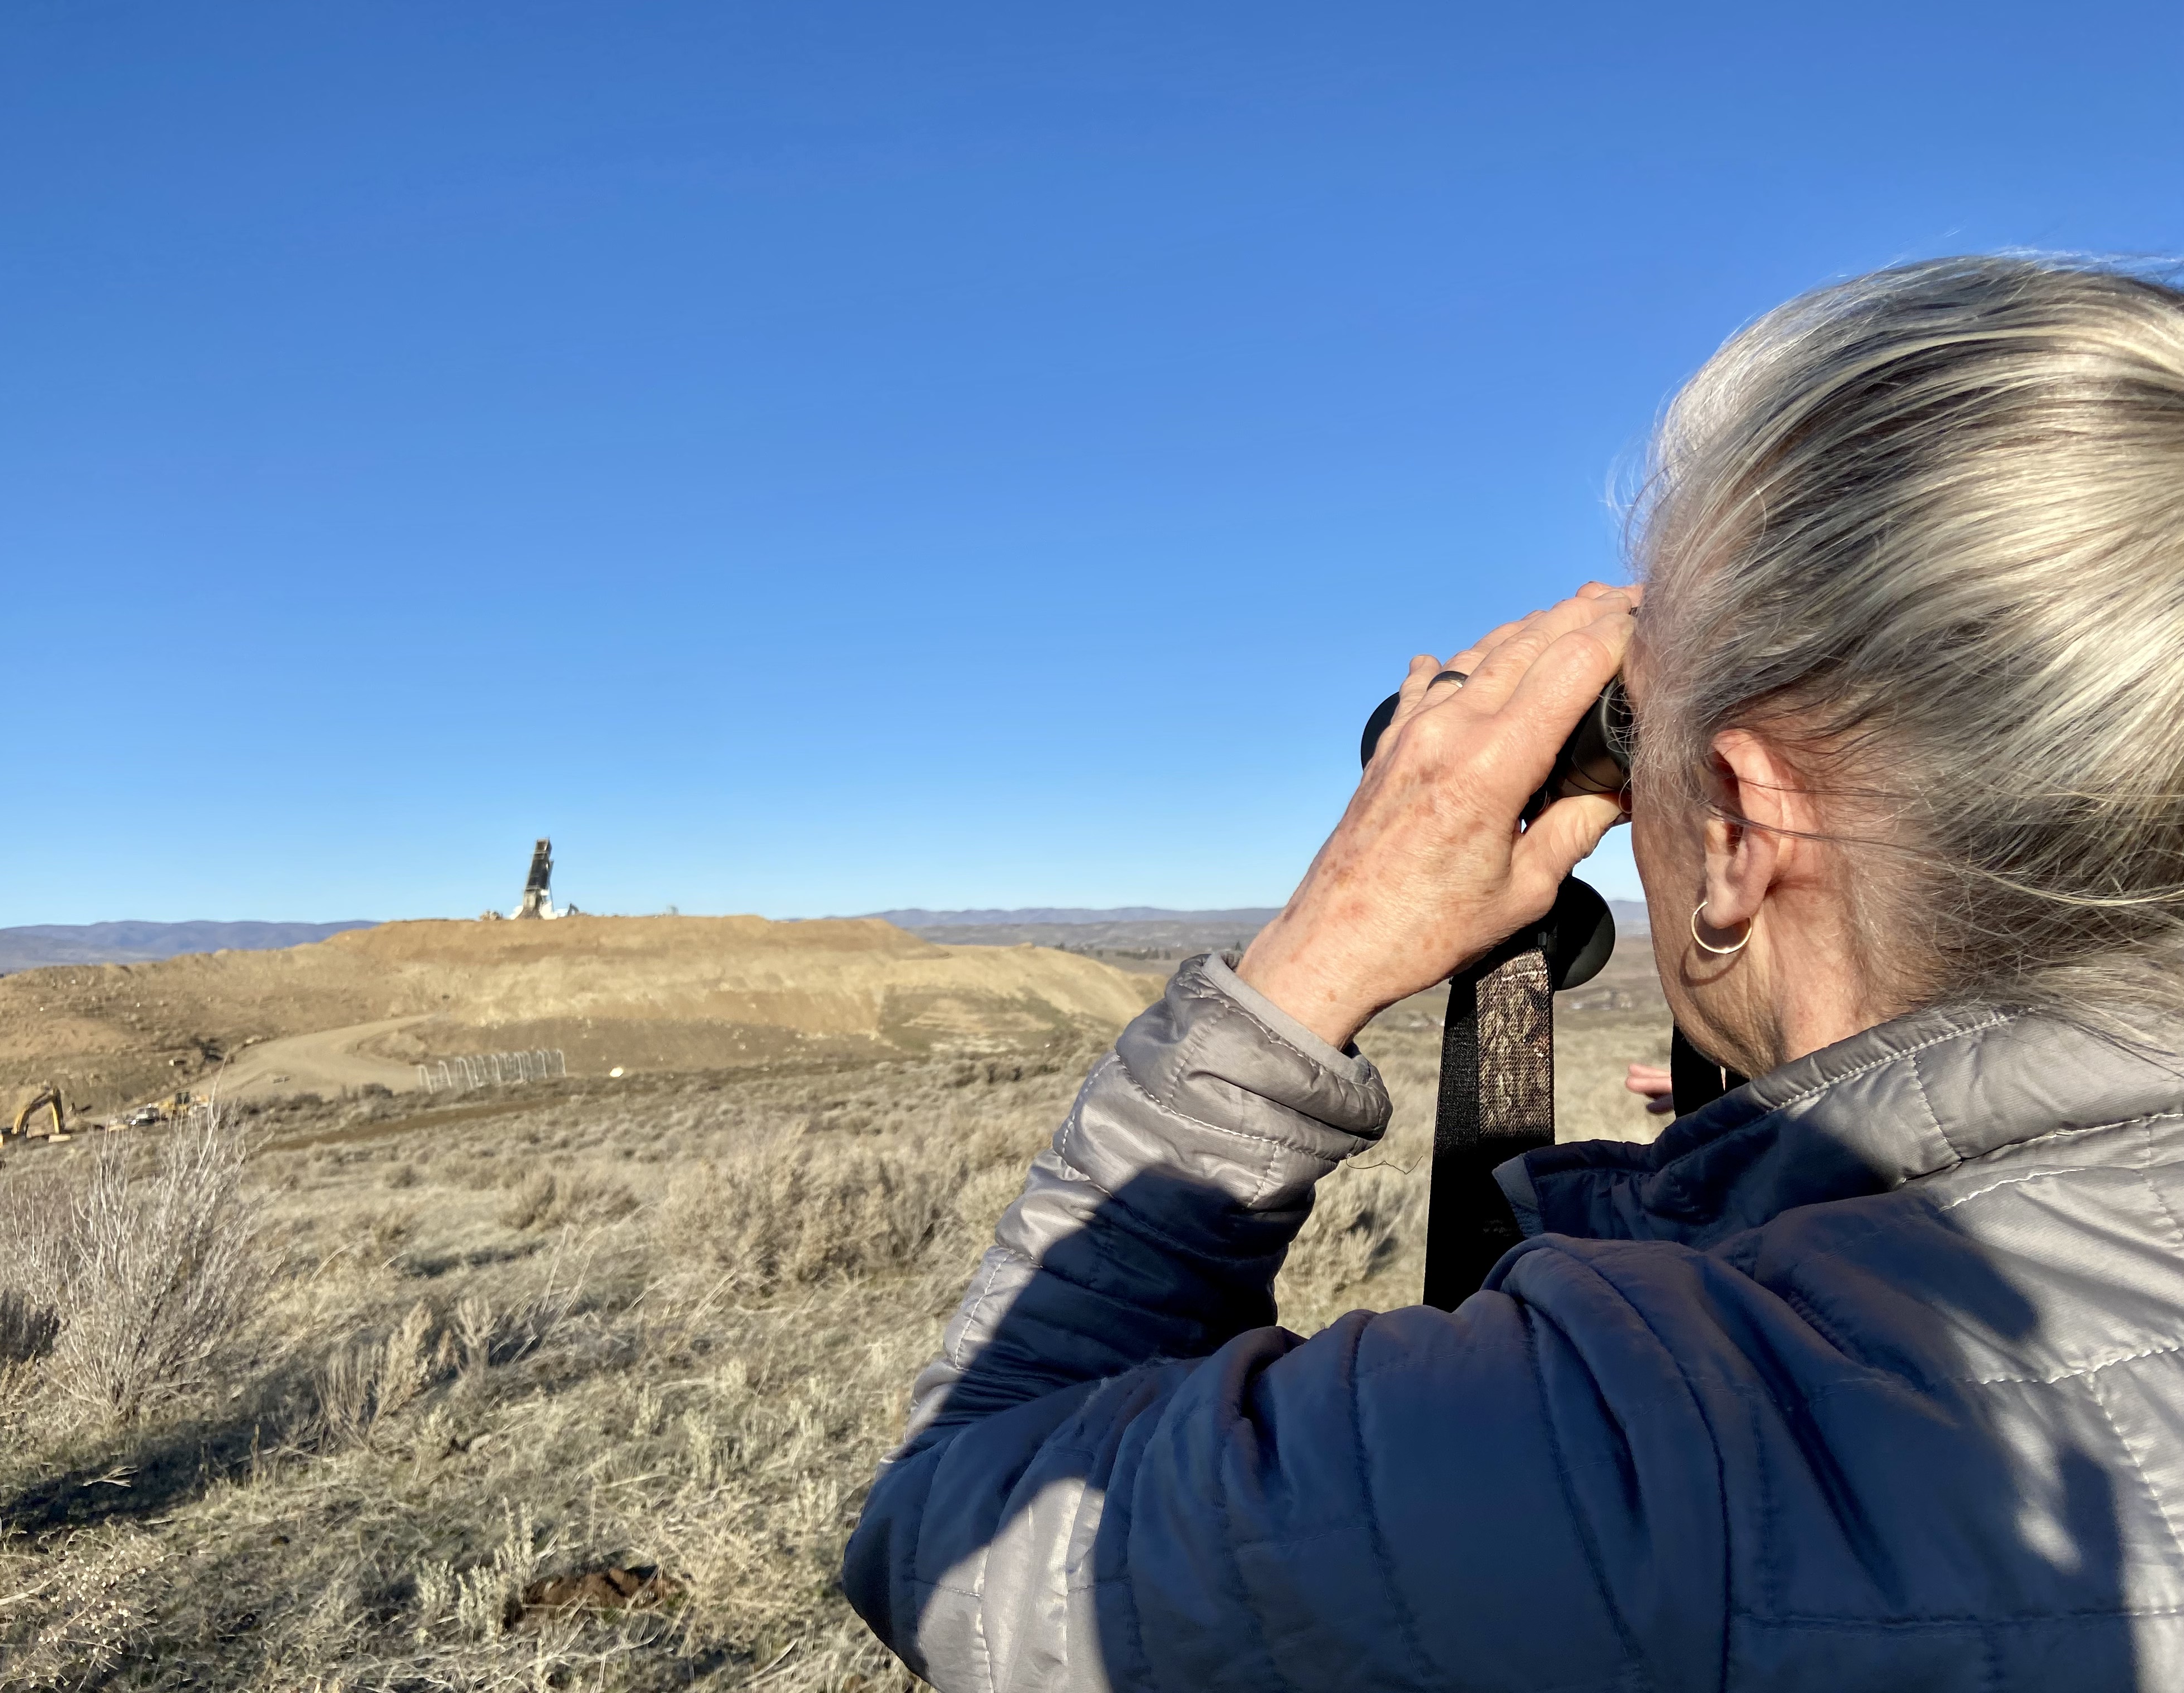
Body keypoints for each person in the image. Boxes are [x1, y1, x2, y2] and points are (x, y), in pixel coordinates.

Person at [843, 256, 2184, 1690]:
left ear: (1736, 828)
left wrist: (1320, 950)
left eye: (1636, 727)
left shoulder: (1596, 1458)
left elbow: (958, 1532)